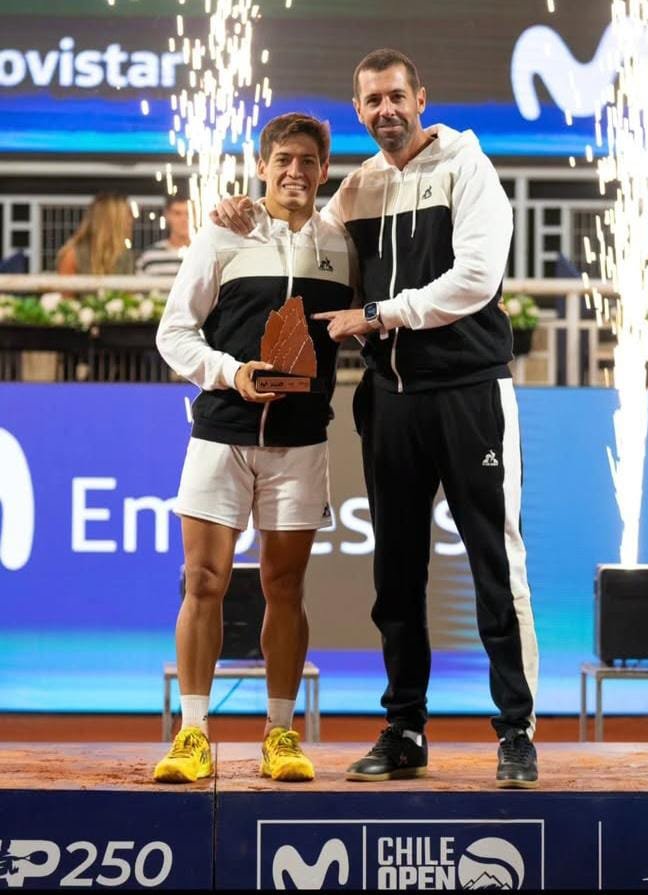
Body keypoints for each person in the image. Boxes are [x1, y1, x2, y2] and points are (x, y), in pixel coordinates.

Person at [212, 49, 539, 789]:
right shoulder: (356, 190)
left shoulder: (468, 169)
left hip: (469, 392)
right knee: (395, 573)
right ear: (359, 111)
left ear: (420, 97)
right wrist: (244, 210)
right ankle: (405, 727)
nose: (386, 110)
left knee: (495, 563)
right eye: (372, 101)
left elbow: (476, 280)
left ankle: (515, 730)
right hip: (389, 400)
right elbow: (300, 233)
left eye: (397, 96)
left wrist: (377, 314)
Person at [153, 112, 356, 784]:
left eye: (307, 161)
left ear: (324, 170)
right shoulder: (225, 231)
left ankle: (280, 732)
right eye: (282, 160)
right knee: (204, 581)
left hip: (300, 441)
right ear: (263, 166)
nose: (294, 171)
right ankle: (192, 732)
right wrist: (231, 372)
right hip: (221, 433)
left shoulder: (345, 245)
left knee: (286, 587)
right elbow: (175, 335)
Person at [57, 193, 134, 274]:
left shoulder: (124, 255)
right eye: (127, 216)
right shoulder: (73, 256)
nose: (130, 221)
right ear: (112, 221)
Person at [136, 196, 191, 277]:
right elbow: (138, 287)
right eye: (177, 213)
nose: (184, 219)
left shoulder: (204, 254)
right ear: (167, 215)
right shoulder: (149, 256)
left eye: (188, 214)